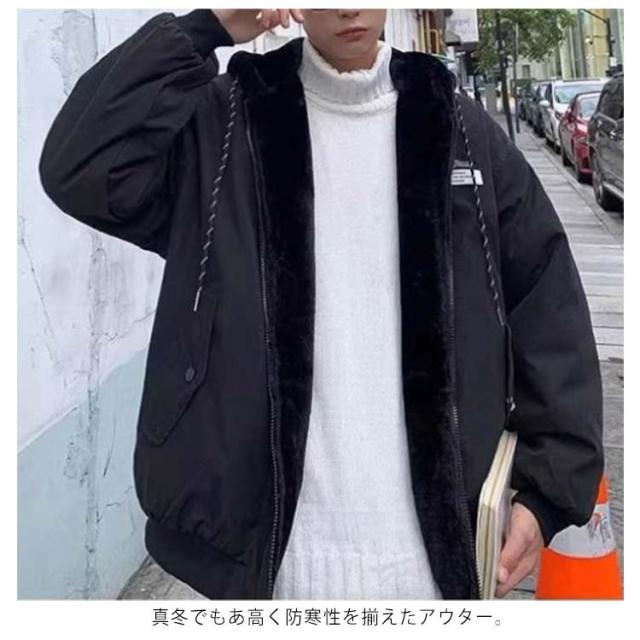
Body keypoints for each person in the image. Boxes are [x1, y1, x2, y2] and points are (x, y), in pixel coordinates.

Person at [38, 8, 604, 600]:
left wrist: (546, 491)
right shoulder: (231, 122)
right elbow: (83, 166)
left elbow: (547, 300)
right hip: (271, 563)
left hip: (437, 562)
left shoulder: (454, 123)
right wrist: (208, 27)